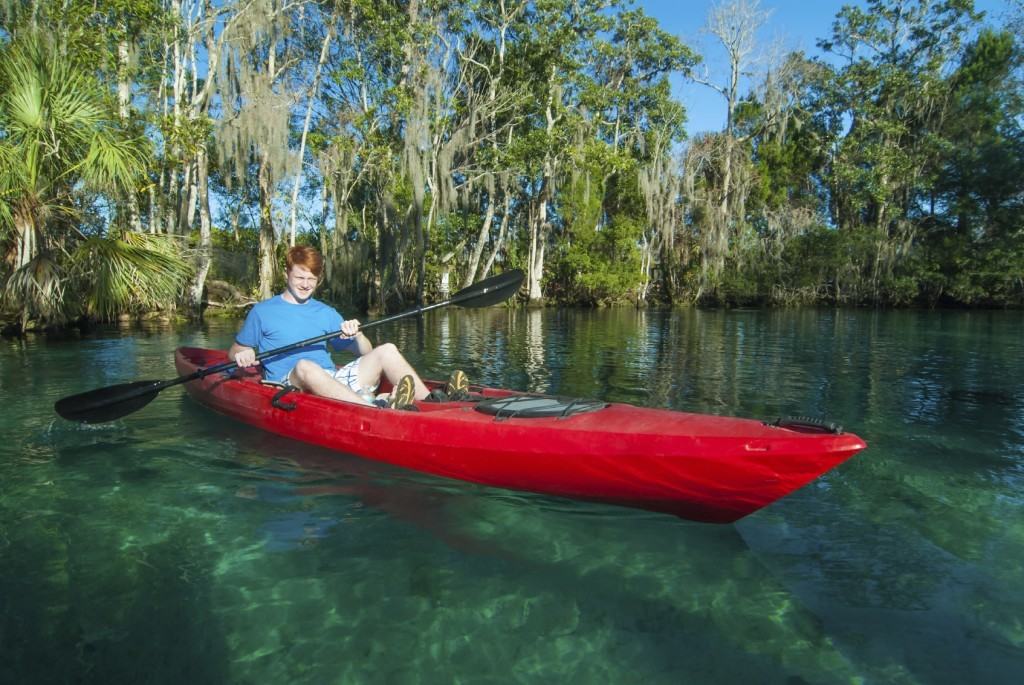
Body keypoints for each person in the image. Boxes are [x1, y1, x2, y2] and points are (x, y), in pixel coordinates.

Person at [229, 246, 466, 408]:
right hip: (290, 383)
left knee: (387, 349)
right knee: (305, 366)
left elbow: (364, 351)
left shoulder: (326, 312)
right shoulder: (263, 311)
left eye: (312, 279)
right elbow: (234, 352)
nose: (305, 284)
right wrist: (243, 354)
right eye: (300, 277)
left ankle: (432, 404)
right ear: (286, 274)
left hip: (332, 380)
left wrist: (357, 334)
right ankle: (375, 408)